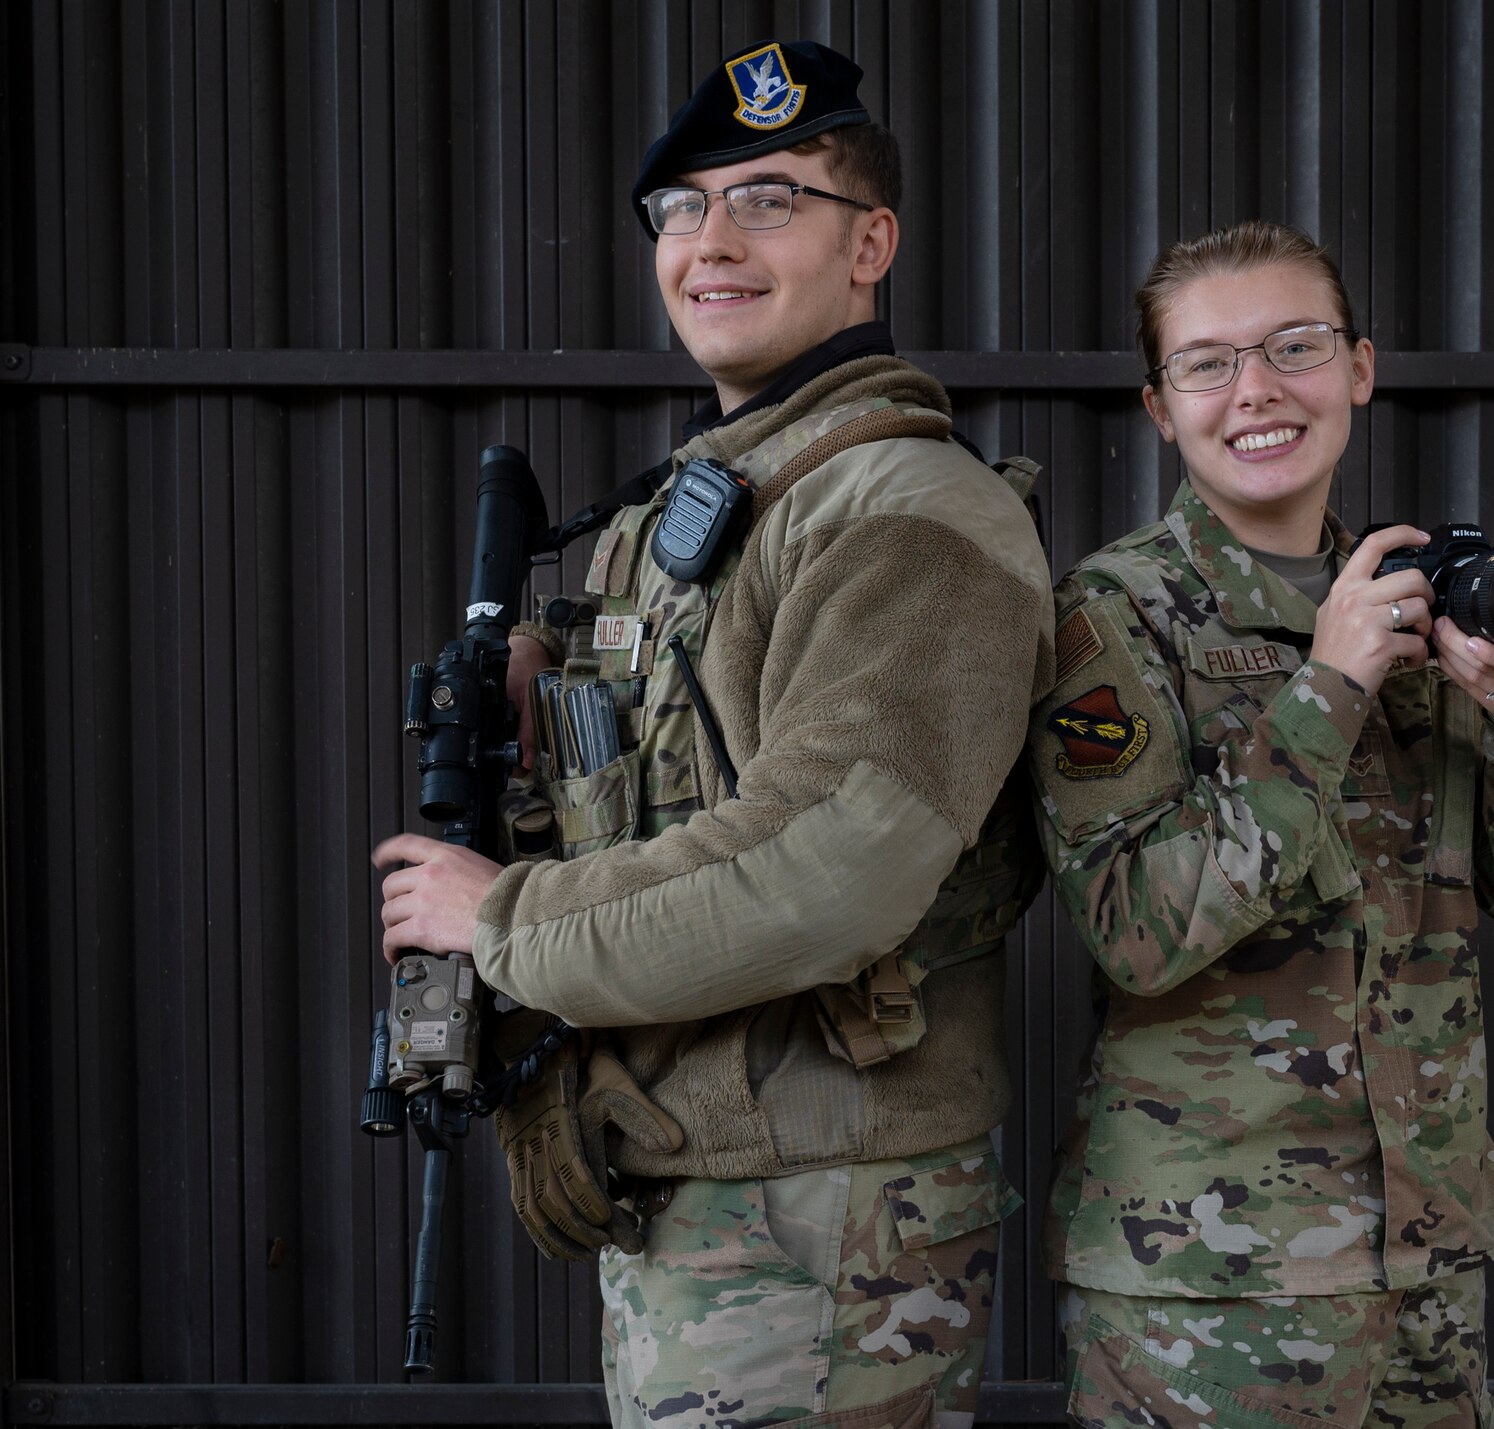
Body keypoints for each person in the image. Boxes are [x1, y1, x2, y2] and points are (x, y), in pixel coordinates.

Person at [373, 39, 1054, 1429]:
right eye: (681, 209)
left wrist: (507, 917)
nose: (711, 241)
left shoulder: (910, 513)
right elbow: (674, 780)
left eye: (768, 199)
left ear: (873, 242)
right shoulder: (709, 501)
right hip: (712, 1183)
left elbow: (829, 863)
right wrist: (541, 698)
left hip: (819, 1215)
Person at [1028, 220, 1494, 1427]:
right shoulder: (1111, 616)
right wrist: (1327, 690)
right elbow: (1136, 929)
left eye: (1292, 345)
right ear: (1159, 406)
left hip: (1425, 1250)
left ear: (1357, 367)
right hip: (1206, 1273)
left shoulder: (1416, 600)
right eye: (1206, 362)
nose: (1254, 390)